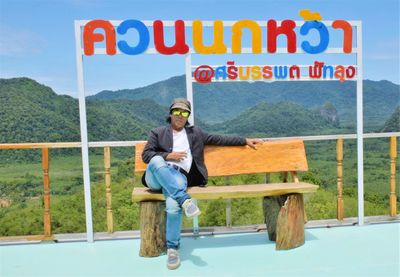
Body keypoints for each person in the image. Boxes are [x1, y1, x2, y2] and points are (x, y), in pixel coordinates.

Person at [141, 98, 262, 270]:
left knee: (172, 204)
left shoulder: (195, 133)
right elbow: (146, 156)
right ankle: (185, 199)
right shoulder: (158, 132)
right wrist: (169, 156)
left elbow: (220, 139)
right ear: (170, 113)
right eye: (177, 111)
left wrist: (245, 140)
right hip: (156, 175)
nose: (180, 115)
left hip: (179, 177)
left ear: (188, 115)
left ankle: (173, 249)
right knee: (156, 161)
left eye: (184, 112)